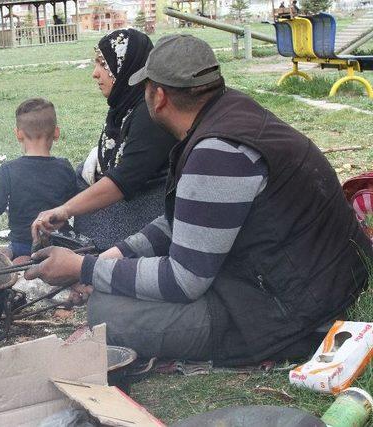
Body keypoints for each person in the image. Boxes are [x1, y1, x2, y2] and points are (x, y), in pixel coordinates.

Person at [27, 34, 373, 366]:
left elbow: (184, 279)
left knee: (107, 312)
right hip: (308, 277)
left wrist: (84, 268)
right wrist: (116, 255)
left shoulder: (216, 153)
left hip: (295, 306)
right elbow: (185, 218)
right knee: (115, 286)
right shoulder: (229, 113)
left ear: (158, 96)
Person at [32, 29, 177, 250]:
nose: (95, 73)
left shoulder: (150, 114)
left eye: (103, 64)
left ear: (126, 65)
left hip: (150, 207)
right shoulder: (124, 107)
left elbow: (124, 180)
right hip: (130, 199)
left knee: (79, 245)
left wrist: (66, 209)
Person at [0, 99, 77, 261]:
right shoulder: (65, 167)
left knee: (16, 257)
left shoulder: (8, 170)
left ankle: (21, 261)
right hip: (60, 241)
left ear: (19, 134)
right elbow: (73, 204)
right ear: (56, 133)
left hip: (22, 243)